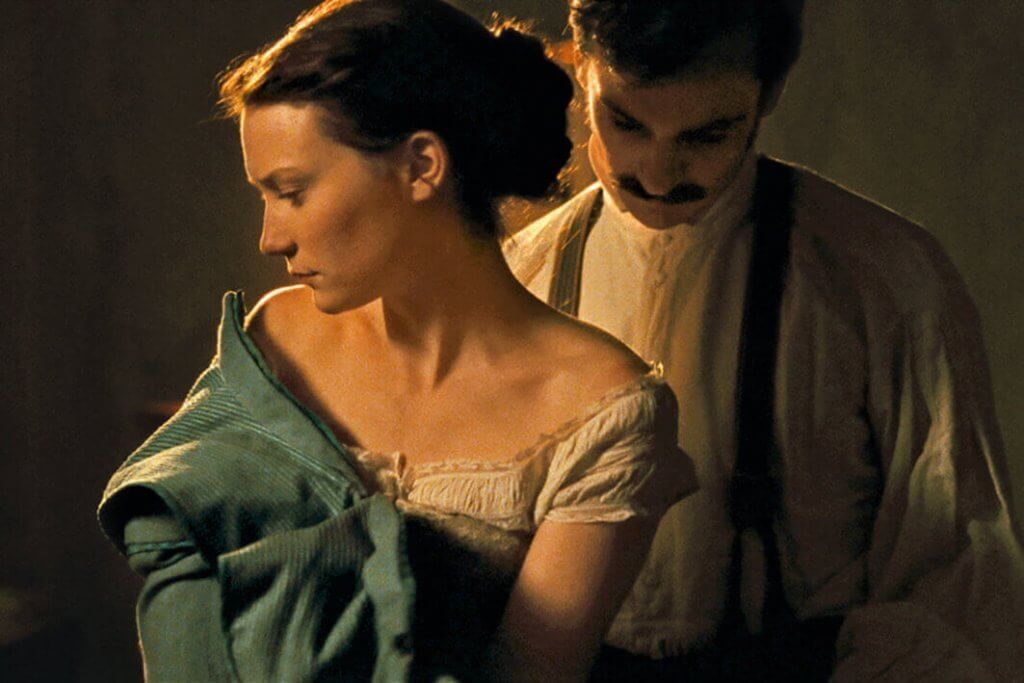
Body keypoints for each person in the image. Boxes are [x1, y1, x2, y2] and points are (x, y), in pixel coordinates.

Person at [96, 0, 695, 680]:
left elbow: (526, 672)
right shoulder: (277, 339)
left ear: (420, 166)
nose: (271, 237)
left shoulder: (604, 410)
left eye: (291, 191)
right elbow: (186, 563)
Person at [505, 0, 1024, 680]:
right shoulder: (521, 274)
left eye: (707, 135)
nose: (657, 174)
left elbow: (959, 577)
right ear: (584, 70)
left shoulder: (885, 278)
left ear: (770, 93)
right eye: (625, 122)